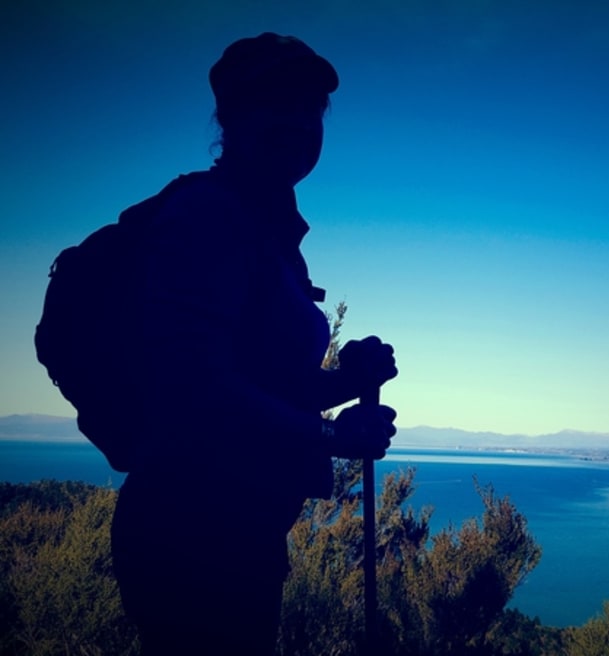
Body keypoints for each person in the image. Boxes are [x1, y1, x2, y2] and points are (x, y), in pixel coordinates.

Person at [108, 33, 398, 655]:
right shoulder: (209, 216)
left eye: (311, 107)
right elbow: (192, 385)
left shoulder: (267, 231)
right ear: (230, 117)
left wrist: (349, 381)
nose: (298, 121)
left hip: (236, 531)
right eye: (276, 102)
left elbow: (261, 385)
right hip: (192, 534)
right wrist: (334, 438)